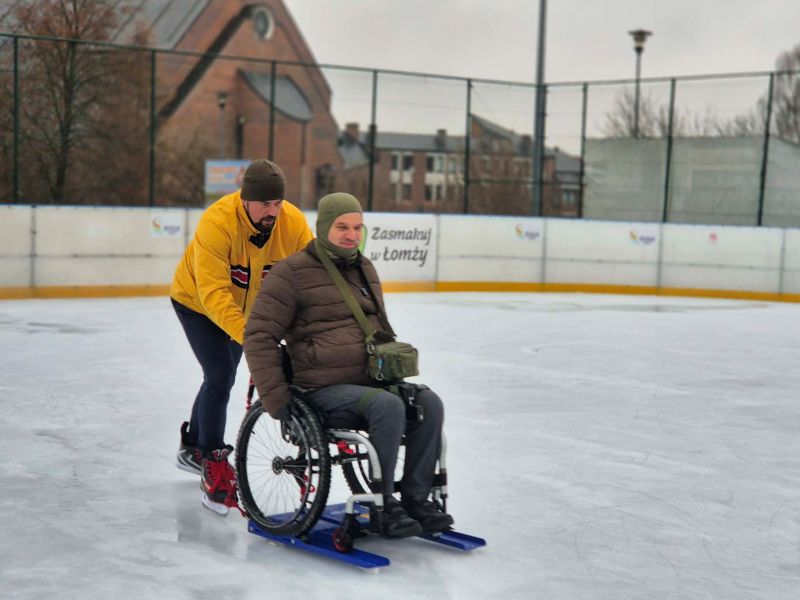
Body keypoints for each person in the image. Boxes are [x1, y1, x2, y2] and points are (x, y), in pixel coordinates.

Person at [243, 192, 454, 537]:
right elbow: (259, 336)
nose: (352, 235)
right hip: (319, 389)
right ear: (324, 227)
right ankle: (380, 504)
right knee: (386, 406)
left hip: (369, 381)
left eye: (358, 227)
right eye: (342, 226)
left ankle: (416, 499)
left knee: (428, 403)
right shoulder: (290, 273)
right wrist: (275, 398)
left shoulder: (364, 267)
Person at [170, 159, 313, 514]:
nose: (273, 211)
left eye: (277, 203)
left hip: (247, 311)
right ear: (245, 200)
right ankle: (211, 458)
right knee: (220, 375)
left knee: (220, 377)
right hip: (198, 304)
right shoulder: (217, 223)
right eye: (265, 204)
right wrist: (252, 337)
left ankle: (191, 446)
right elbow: (214, 293)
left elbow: (309, 277)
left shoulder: (292, 223)